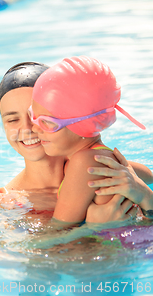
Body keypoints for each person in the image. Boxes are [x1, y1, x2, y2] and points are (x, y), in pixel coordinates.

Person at [0, 61, 152, 222]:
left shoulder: (93, 165)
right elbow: (17, 256)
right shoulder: (4, 203)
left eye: (40, 117)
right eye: (12, 120)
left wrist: (141, 191)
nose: (30, 127)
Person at [29, 56, 147, 224]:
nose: (34, 128)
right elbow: (147, 175)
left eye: (46, 122)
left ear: (82, 124)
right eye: (32, 115)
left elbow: (57, 232)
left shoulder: (84, 163)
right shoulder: (104, 158)